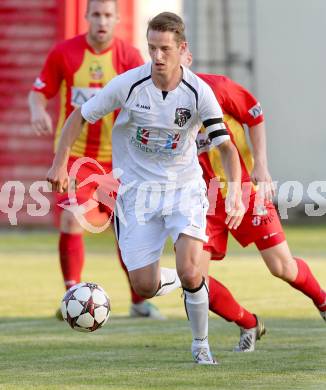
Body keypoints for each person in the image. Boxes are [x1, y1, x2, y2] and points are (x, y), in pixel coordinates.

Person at [46, 12, 244, 364]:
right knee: (143, 285)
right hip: (137, 195)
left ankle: (201, 346)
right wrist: (60, 161)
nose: (157, 56)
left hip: (183, 190)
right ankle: (188, 283)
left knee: (190, 267)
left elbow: (226, 148)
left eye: (165, 49)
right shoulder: (128, 85)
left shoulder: (199, 92)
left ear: (182, 49)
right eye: (151, 48)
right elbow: (79, 115)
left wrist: (238, 193)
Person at [28, 0, 165, 319]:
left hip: (120, 163)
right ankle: (71, 297)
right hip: (77, 160)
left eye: (108, 15)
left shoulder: (129, 58)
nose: (102, 21)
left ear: (117, 19)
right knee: (70, 218)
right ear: (87, 17)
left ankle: (139, 301)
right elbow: (39, 91)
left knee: (127, 231)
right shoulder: (64, 53)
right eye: (96, 15)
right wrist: (36, 110)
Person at [183, 50, 326, 352]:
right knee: (194, 281)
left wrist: (261, 164)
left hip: (244, 188)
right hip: (202, 202)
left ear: (186, 57)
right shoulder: (158, 103)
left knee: (282, 267)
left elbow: (254, 114)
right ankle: (248, 323)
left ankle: (323, 302)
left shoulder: (217, 88)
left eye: (171, 54)